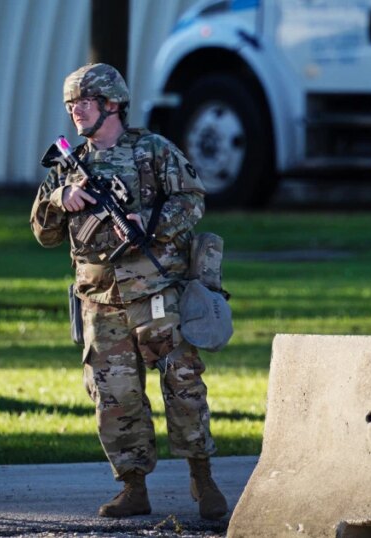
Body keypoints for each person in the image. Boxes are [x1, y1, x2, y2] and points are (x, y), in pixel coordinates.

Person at [30, 63, 228, 521]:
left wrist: (150, 225)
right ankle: (132, 486)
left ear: (112, 104)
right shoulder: (66, 166)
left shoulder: (153, 150)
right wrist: (60, 199)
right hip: (100, 300)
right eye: (71, 103)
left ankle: (202, 475)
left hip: (156, 292)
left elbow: (192, 199)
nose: (75, 110)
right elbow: (43, 233)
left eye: (85, 101)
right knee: (114, 396)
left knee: (182, 383)